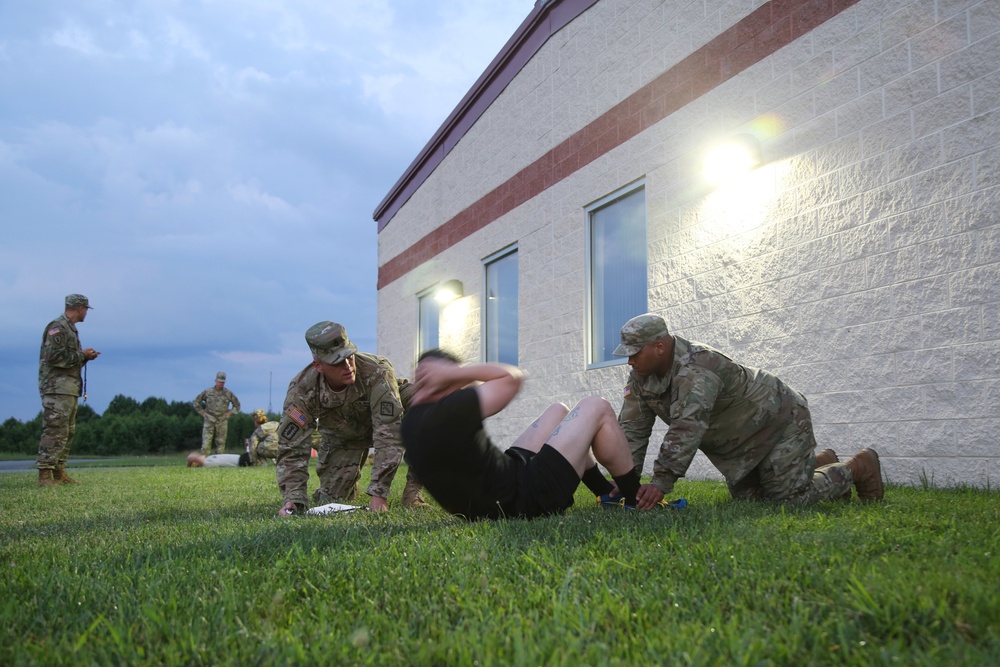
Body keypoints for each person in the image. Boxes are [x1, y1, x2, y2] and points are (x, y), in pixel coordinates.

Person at [613, 313, 884, 508]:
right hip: (741, 441)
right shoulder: (640, 376)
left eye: (635, 352)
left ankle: (857, 467)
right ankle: (815, 463)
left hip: (779, 420)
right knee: (752, 499)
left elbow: (687, 427)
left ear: (659, 347)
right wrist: (626, 482)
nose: (630, 360)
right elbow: (632, 430)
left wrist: (661, 483)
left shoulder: (697, 369)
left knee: (788, 501)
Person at [401, 348, 645, 520]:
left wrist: (445, 379)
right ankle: (636, 499)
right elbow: (512, 378)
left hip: (499, 488)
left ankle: (605, 492)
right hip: (525, 499)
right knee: (596, 406)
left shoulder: (412, 422)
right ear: (444, 378)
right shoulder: (451, 409)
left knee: (558, 411)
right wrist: (454, 373)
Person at [275, 321, 428, 515]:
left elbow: (389, 431)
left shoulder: (376, 370)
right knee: (334, 499)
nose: (348, 366)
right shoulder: (303, 390)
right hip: (345, 435)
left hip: (392, 417)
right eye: (337, 362)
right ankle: (342, 485)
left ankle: (413, 492)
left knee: (431, 407)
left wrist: (379, 494)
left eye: (349, 356)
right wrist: (293, 498)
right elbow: (291, 448)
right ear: (319, 365)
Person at [36, 293, 101, 487]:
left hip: (68, 388)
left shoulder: (70, 329)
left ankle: (59, 472)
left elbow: (67, 358)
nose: (86, 314)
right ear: (80, 308)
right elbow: (53, 357)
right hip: (56, 388)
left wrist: (84, 357)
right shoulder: (58, 327)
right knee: (54, 429)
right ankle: (45, 475)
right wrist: (82, 355)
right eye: (86, 310)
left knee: (67, 431)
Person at [193, 372, 241, 456]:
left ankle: (218, 462)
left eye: (222, 382)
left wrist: (230, 413)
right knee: (206, 443)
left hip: (222, 420)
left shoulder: (228, 393)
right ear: (215, 381)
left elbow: (237, 405)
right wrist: (202, 412)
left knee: (221, 443)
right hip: (209, 419)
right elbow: (196, 402)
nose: (221, 384)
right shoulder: (208, 392)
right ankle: (204, 461)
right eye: (219, 382)